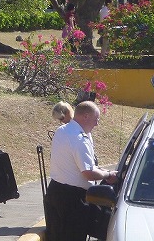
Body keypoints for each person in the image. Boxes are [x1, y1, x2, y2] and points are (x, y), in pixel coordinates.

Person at [45, 101, 118, 241]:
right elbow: (88, 173)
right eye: (96, 119)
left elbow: (80, 165)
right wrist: (108, 175)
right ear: (86, 116)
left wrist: (103, 171)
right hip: (72, 199)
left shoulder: (62, 130)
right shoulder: (79, 139)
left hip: (55, 192)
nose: (97, 124)